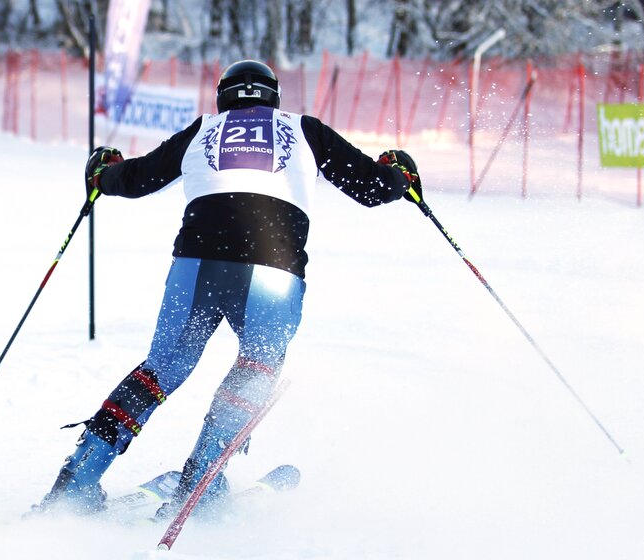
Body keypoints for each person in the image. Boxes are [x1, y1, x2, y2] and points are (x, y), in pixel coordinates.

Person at [36, 59, 422, 515]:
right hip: (273, 270)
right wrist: (399, 173)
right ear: (274, 96)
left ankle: (77, 479)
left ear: (222, 96)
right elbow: (372, 187)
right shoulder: (305, 129)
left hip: (197, 264)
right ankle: (202, 484)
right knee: (257, 369)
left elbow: (136, 179)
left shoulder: (202, 130)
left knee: (160, 369)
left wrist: (104, 172)